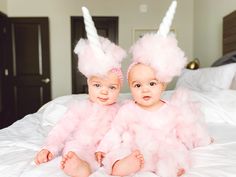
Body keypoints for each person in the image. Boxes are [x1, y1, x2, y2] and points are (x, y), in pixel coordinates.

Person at [95, 1, 212, 177]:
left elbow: (186, 132)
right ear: (131, 87)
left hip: (164, 148)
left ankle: (167, 167)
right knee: (118, 155)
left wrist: (203, 140)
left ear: (163, 84)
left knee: (174, 153)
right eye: (137, 85)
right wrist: (103, 148)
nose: (145, 90)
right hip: (135, 149)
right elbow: (115, 131)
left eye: (152, 83)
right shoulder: (128, 110)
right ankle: (123, 165)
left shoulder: (172, 110)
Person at [34, 6, 126, 177]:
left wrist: (105, 149)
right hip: (81, 144)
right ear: (89, 85)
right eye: (98, 85)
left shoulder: (120, 109)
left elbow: (118, 131)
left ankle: (120, 165)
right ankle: (79, 166)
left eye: (111, 87)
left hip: (106, 148)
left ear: (119, 88)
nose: (104, 92)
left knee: (119, 151)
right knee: (74, 150)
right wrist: (50, 147)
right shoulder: (80, 107)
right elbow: (62, 129)